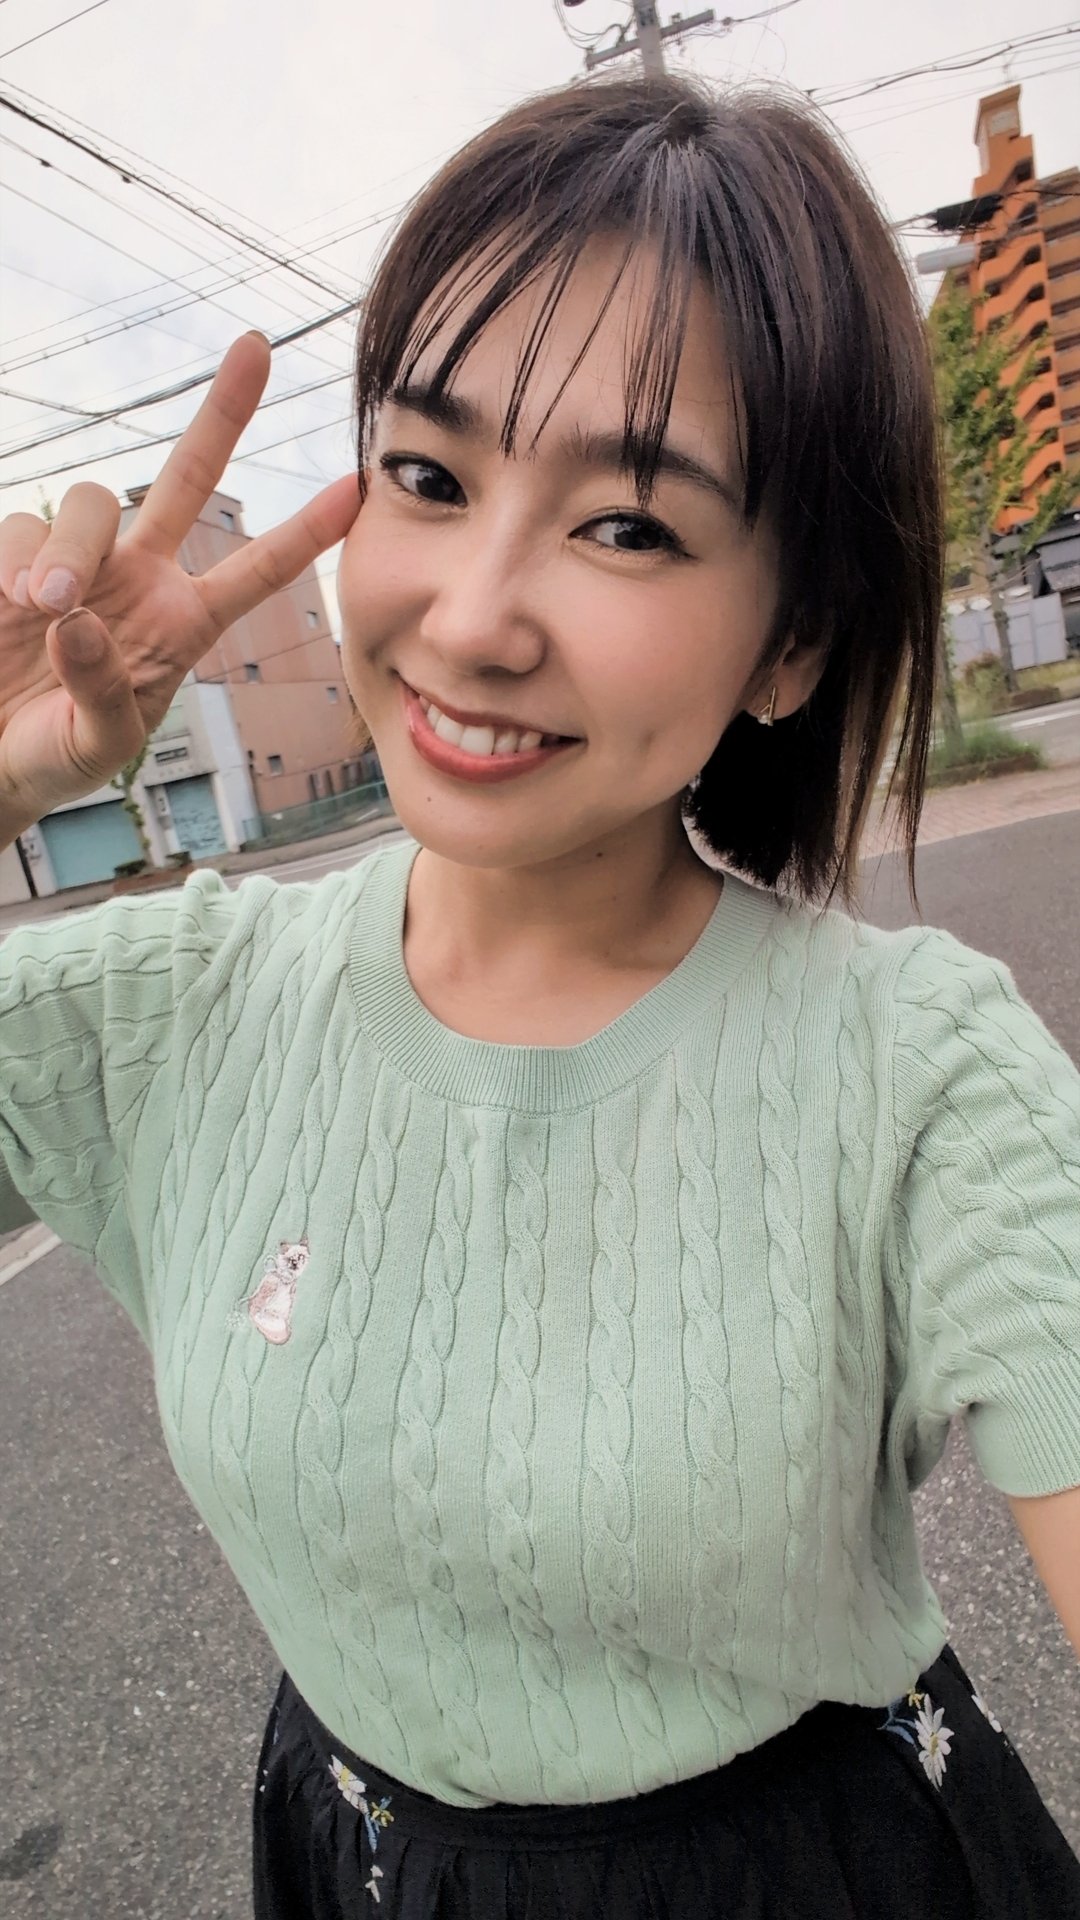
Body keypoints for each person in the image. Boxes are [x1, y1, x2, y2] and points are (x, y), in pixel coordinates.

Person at [0, 71, 1078, 1920]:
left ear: (793, 640)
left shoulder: (915, 1068)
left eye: (631, 526)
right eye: (428, 478)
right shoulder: (168, 1008)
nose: (475, 616)